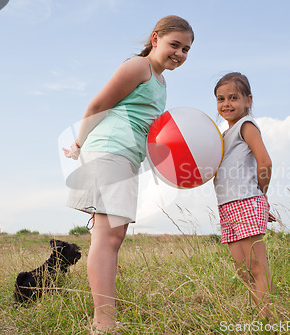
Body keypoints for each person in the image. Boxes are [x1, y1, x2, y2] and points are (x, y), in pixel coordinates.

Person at [63, 15, 194, 333]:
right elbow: (97, 106)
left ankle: (104, 319)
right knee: (108, 238)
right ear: (155, 39)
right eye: (174, 44)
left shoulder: (162, 83)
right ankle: (103, 323)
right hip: (109, 151)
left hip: (127, 158)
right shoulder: (138, 68)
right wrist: (79, 143)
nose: (179, 53)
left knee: (112, 237)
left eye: (186, 49)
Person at [213, 72, 273, 319]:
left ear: (248, 100)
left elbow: (265, 161)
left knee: (257, 266)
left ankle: (266, 317)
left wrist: (261, 192)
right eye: (220, 99)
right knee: (243, 269)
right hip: (226, 205)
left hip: (246, 201)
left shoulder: (245, 126)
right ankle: (259, 312)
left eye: (233, 98)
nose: (226, 104)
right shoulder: (222, 135)